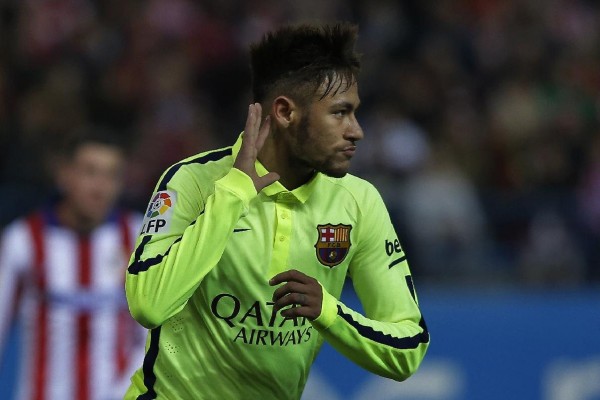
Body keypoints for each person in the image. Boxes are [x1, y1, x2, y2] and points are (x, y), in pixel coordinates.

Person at [125, 22, 430, 399]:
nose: (356, 130)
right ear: (286, 112)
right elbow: (149, 305)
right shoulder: (192, 181)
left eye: (355, 113)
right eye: (340, 113)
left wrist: (328, 312)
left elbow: (408, 347)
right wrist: (234, 193)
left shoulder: (358, 202)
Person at [0, 128, 145, 400]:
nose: (100, 187)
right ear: (64, 174)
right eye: (90, 172)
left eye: (111, 175)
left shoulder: (138, 236)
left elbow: (152, 335)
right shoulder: (23, 241)